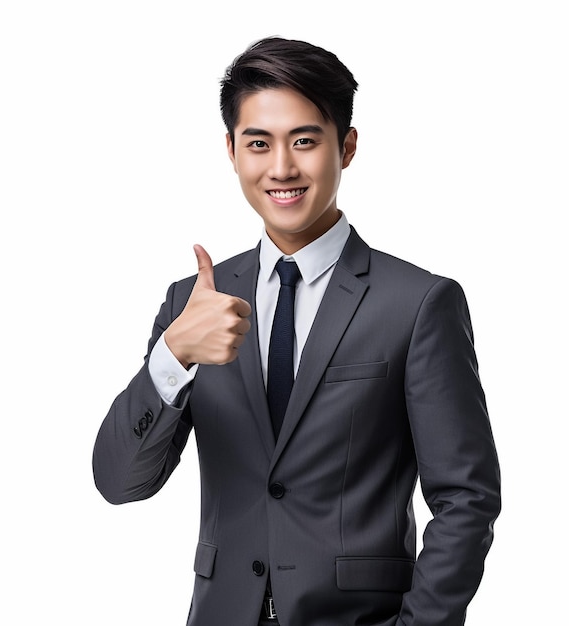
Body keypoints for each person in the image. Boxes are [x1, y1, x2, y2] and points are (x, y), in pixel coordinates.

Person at [92, 36, 501, 626]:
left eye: (305, 141)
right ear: (232, 151)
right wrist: (173, 355)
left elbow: (467, 499)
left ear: (347, 147)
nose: (281, 168)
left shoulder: (417, 304)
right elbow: (118, 482)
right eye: (259, 143)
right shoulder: (193, 303)